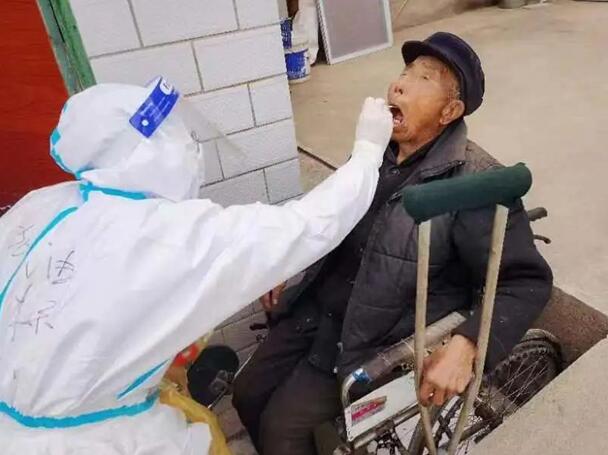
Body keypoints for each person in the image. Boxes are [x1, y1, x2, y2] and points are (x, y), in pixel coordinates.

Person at [0, 78, 394, 454]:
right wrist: (366, 155)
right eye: (175, 134)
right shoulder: (162, 236)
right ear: (145, 151)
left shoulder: (43, 204)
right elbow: (307, 226)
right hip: (94, 441)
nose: (190, 145)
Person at [232, 32, 553, 455]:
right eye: (404, 72)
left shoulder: (477, 182)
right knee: (246, 393)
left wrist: (468, 343)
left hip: (373, 339)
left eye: (424, 78)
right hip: (315, 310)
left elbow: (525, 282)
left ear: (449, 111)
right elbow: (330, 213)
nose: (399, 85)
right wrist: (286, 257)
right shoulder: (374, 151)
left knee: (281, 429)